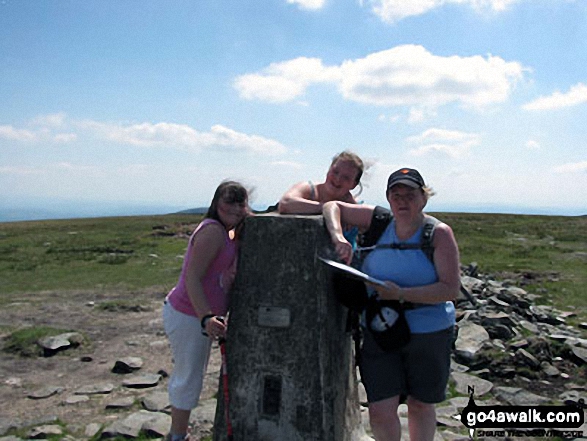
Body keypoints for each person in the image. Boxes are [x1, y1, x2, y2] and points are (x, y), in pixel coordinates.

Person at [322, 168, 460, 441]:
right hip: (381, 328)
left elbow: (450, 288)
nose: (402, 201)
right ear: (388, 198)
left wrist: (400, 295)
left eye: (410, 195)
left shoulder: (438, 233)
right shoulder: (379, 222)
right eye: (395, 195)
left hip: (428, 331)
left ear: (424, 198)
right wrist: (338, 236)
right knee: (380, 408)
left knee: (420, 404)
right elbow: (332, 206)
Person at [163, 181, 250, 441]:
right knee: (188, 376)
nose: (234, 207)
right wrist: (206, 317)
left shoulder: (226, 230)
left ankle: (180, 432)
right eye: (229, 201)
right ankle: (177, 436)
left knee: (191, 374)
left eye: (240, 202)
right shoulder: (212, 232)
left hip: (193, 316)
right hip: (189, 315)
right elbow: (192, 278)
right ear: (216, 203)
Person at [277, 150, 365, 215]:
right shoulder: (309, 189)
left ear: (353, 185)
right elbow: (285, 203)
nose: (338, 179)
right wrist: (328, 208)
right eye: (335, 172)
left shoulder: (350, 203)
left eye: (346, 177)